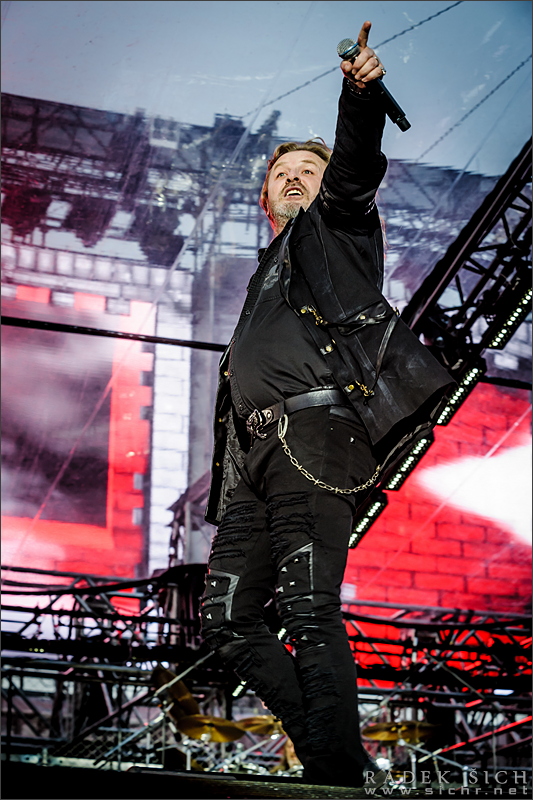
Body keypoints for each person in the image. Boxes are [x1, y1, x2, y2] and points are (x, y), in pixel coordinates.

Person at [200, 21, 454, 788]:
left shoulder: (336, 231)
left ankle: (335, 774)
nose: (293, 178)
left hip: (315, 438)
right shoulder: (268, 272)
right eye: (281, 172)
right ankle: (330, 757)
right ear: (262, 197)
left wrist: (361, 96)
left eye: (306, 170)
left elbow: (353, 170)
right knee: (227, 622)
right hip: (255, 460)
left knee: (308, 609)